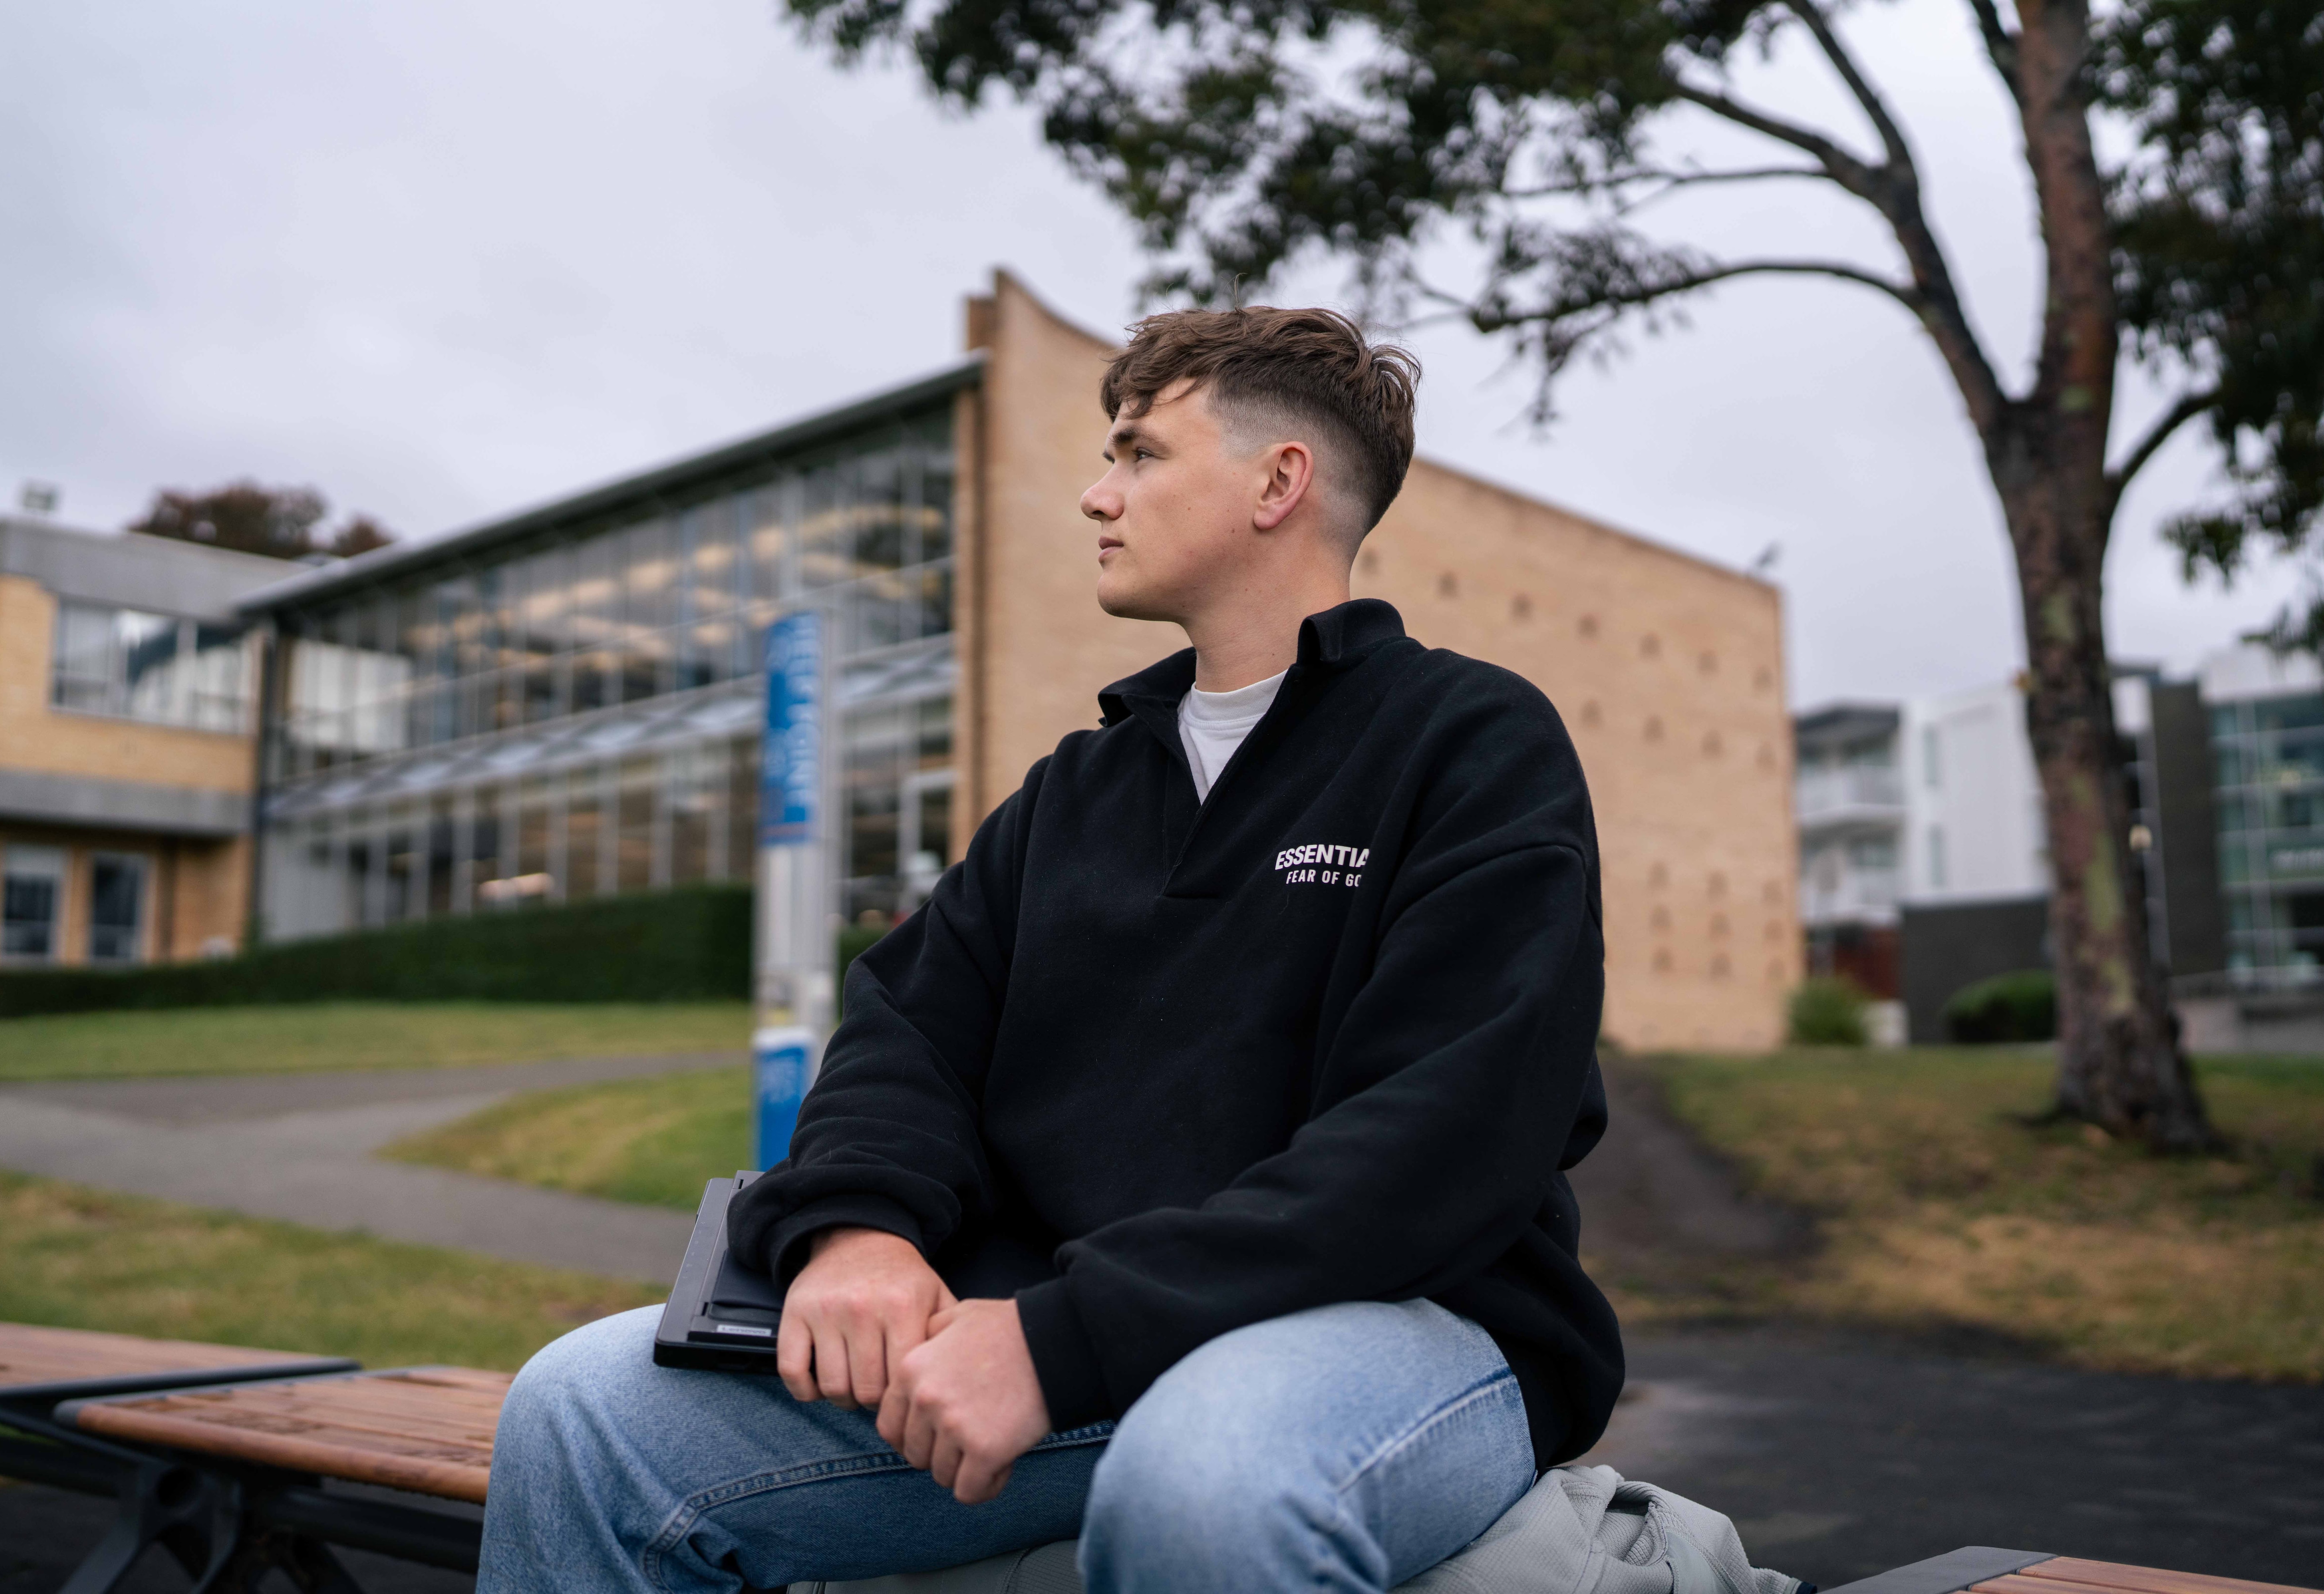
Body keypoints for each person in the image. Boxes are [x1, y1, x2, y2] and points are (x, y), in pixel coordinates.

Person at [480, 306, 1623, 1594]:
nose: (1097, 493)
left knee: (1206, 1477)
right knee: (578, 1409)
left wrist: (1066, 1339)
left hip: (1402, 1329)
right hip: (1054, 1339)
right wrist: (859, 1227)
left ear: (1279, 482)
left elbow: (1450, 1130)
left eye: (1139, 455)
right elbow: (908, 1030)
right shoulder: (1074, 791)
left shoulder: (1468, 740)